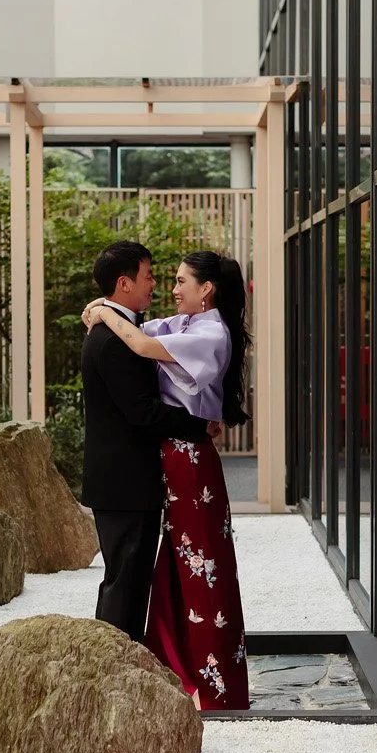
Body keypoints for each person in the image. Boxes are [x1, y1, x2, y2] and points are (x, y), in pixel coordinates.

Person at [84, 251, 251, 711]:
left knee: (203, 570)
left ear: (206, 289)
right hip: (174, 458)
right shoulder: (183, 324)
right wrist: (107, 311)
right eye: (164, 279)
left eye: (180, 281)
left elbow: (136, 344)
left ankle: (215, 686)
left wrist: (100, 310)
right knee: (177, 573)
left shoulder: (210, 332)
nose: (170, 288)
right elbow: (135, 329)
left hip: (190, 462)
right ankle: (179, 673)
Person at [80, 241, 209, 644]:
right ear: (124, 283)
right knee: (126, 583)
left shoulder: (117, 329)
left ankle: (114, 670)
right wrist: (200, 425)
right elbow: (143, 412)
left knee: (127, 581)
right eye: (149, 275)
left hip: (123, 482)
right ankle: (112, 671)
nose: (154, 284)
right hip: (126, 483)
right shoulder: (114, 340)